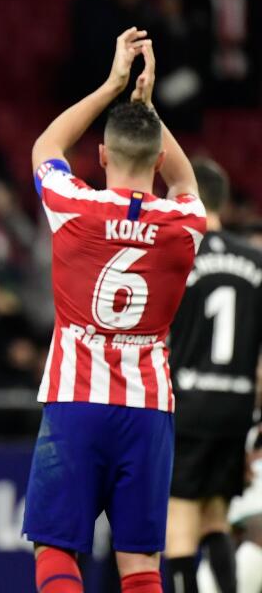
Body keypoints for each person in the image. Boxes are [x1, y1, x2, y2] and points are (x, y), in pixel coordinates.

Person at [23, 29, 206, 593]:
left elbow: (45, 147)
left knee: (56, 550)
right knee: (141, 567)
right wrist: (148, 107)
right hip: (147, 408)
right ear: (155, 159)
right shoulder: (185, 224)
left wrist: (111, 86)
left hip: (75, 401)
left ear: (101, 156)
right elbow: (184, 180)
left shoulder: (74, 207)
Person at [165, 158, 262, 593]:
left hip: (190, 406)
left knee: (179, 532)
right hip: (236, 409)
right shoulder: (256, 262)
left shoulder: (180, 256)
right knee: (215, 519)